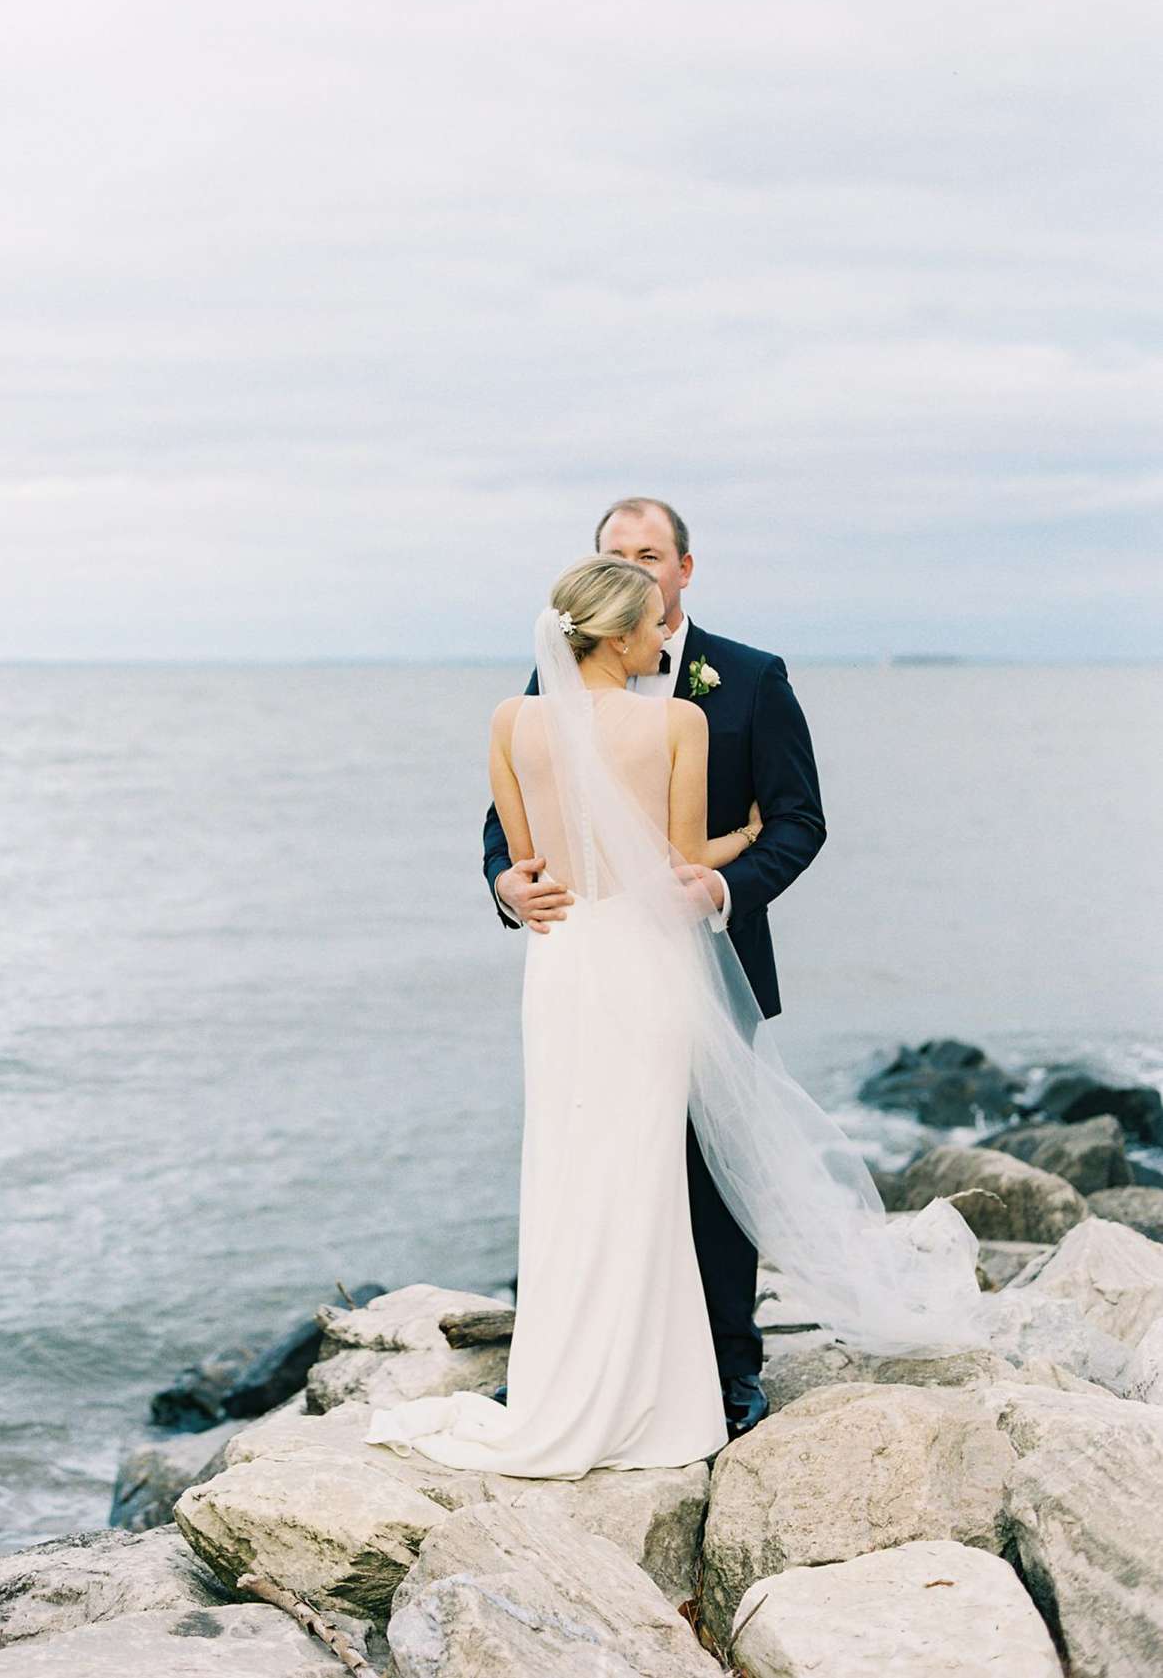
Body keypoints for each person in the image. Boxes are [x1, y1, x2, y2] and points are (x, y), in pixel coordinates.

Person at [363, 556, 986, 1481]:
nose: (667, 634)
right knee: (645, 1173)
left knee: (569, 1166)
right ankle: (651, 1391)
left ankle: (560, 1382)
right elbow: (679, 865)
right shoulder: (678, 720)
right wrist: (742, 837)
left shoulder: (511, 720)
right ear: (618, 635)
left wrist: (524, 881)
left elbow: (526, 861)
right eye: (654, 623)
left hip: (562, 961)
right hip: (645, 964)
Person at [483, 497, 826, 1438]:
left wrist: (722, 887)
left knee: (711, 1167)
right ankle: (568, 1358)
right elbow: (509, 832)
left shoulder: (752, 679)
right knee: (588, 1140)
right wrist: (509, 885)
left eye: (650, 553)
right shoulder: (550, 689)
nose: (636, 568)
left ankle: (726, 1364)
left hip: (708, 956)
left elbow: (800, 822)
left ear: (684, 568)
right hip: (600, 945)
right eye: (615, 555)